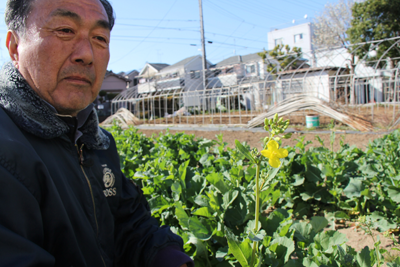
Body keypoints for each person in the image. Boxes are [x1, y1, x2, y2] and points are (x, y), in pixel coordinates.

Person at [0, 0, 193, 266]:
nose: (87, 54)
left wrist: (169, 258)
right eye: (65, 30)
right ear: (14, 47)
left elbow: (128, 224)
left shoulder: (96, 141)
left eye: (100, 38)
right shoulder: (6, 150)